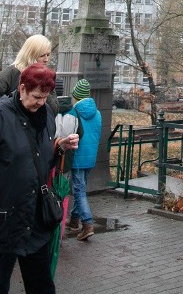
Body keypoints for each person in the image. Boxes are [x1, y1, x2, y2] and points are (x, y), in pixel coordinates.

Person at [0, 64, 79, 294]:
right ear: (21, 89)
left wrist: (59, 148)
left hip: (32, 218)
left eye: (45, 97)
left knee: (41, 284)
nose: (41, 102)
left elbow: (39, 162)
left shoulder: (46, 115)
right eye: (36, 96)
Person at [0, 35, 56, 123]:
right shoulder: (10, 74)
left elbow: (53, 110)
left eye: (48, 55)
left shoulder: (47, 77)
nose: (46, 59)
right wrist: (3, 127)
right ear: (30, 54)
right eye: (42, 55)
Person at [66, 79, 102, 242]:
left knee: (79, 191)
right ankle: (74, 220)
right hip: (90, 157)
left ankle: (87, 224)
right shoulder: (98, 113)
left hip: (78, 157)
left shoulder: (74, 113)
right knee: (81, 188)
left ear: (76, 96)